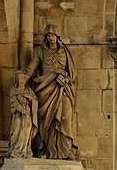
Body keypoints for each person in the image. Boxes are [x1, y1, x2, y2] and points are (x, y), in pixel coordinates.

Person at [25, 25, 78, 160]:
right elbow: (31, 69)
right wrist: (21, 82)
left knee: (65, 117)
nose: (51, 38)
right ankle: (45, 150)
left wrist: (66, 79)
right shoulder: (40, 51)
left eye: (53, 35)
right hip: (45, 88)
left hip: (62, 89)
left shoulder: (64, 51)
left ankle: (65, 150)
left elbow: (72, 72)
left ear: (57, 36)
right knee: (46, 121)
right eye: (48, 35)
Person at [6, 70, 38, 158]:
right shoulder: (14, 91)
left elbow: (35, 100)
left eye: (24, 78)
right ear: (17, 80)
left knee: (26, 132)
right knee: (16, 132)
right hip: (19, 115)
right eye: (21, 78)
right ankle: (16, 150)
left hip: (28, 114)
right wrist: (21, 109)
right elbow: (14, 103)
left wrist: (31, 99)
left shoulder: (29, 90)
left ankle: (24, 150)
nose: (23, 80)